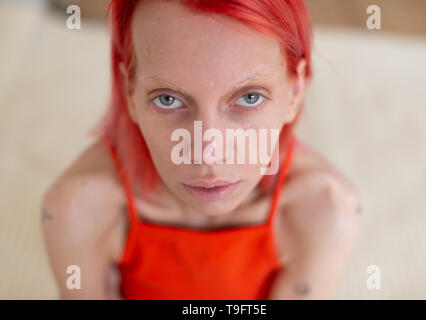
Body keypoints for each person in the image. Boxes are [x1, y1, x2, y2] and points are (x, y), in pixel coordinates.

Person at [42, 0, 361, 299]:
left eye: (249, 98)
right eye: (167, 99)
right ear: (130, 91)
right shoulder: (80, 208)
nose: (208, 154)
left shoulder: (324, 210)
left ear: (295, 90)